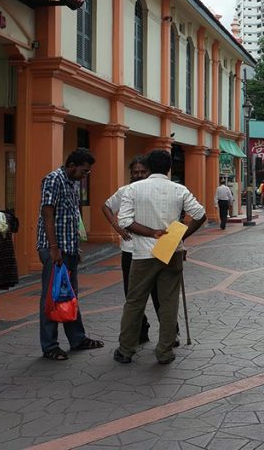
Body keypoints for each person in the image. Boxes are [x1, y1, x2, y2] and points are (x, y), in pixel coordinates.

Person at [114, 149, 206, 365]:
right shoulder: (179, 189)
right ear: (169, 167)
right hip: (171, 251)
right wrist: (180, 237)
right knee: (168, 301)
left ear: (148, 166)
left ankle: (126, 349)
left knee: (135, 301)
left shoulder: (133, 189)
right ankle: (164, 351)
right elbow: (200, 215)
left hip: (143, 254)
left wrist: (150, 233)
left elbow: (125, 221)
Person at [37, 148, 103, 361]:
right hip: (55, 249)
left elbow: (71, 216)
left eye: (87, 173)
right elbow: (48, 214)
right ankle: (50, 346)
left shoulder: (73, 182)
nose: (85, 175)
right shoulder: (53, 179)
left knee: (70, 296)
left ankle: (77, 338)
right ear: (72, 165)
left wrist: (75, 247)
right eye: (84, 171)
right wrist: (54, 248)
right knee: (52, 296)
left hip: (69, 249)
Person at [103, 155, 159, 344]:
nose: (139, 175)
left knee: (159, 293)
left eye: (143, 172)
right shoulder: (125, 191)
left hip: (155, 249)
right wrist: (116, 225)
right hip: (130, 250)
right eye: (135, 172)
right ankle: (141, 330)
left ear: (150, 172)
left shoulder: (157, 191)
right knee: (132, 294)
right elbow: (107, 206)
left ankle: (170, 332)